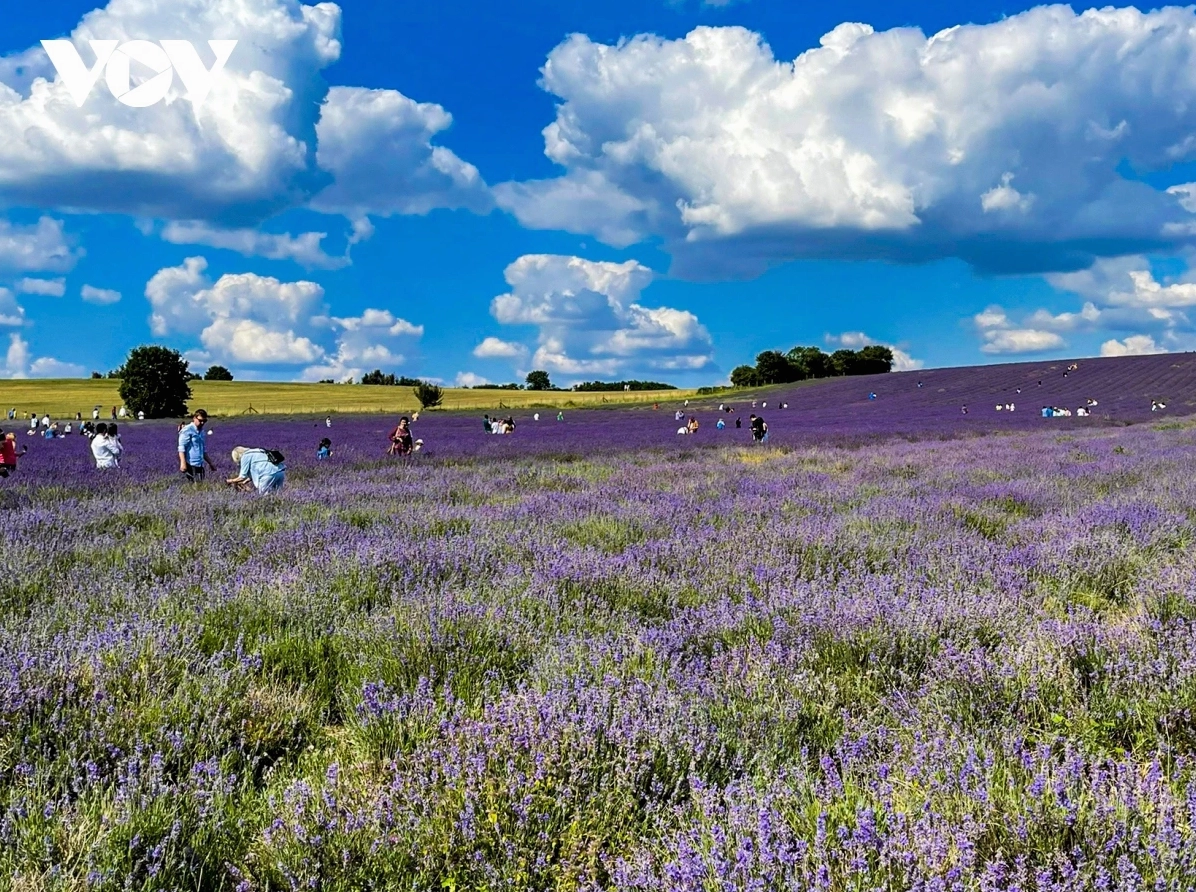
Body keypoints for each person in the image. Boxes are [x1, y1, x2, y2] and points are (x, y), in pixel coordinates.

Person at [178, 409, 216, 482]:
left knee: (200, 486)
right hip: (190, 464)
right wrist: (182, 463)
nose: (202, 423)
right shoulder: (187, 430)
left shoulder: (202, 432)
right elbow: (181, 447)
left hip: (200, 464)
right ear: (194, 418)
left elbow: (203, 450)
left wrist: (211, 463)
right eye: (200, 420)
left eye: (204, 421)